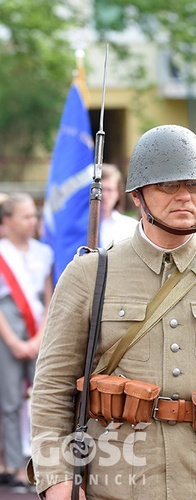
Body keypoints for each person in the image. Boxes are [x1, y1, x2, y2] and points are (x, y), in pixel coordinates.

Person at [30, 125, 196, 499]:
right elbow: (52, 388)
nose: (184, 197)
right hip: (115, 484)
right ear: (137, 196)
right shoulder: (90, 273)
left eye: (194, 186)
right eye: (168, 186)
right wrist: (59, 481)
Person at [0, 193, 54, 493]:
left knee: (43, 399)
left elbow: (48, 298)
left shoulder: (43, 252)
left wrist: (38, 338)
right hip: (7, 330)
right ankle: (17, 468)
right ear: (7, 221)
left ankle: (41, 466)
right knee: (8, 401)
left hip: (38, 330)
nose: (33, 221)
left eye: (34, 215)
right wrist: (13, 341)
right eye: (25, 216)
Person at [99, 164, 139, 248]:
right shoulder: (76, 225)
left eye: (109, 190)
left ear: (118, 193)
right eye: (100, 190)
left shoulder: (130, 227)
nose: (104, 195)